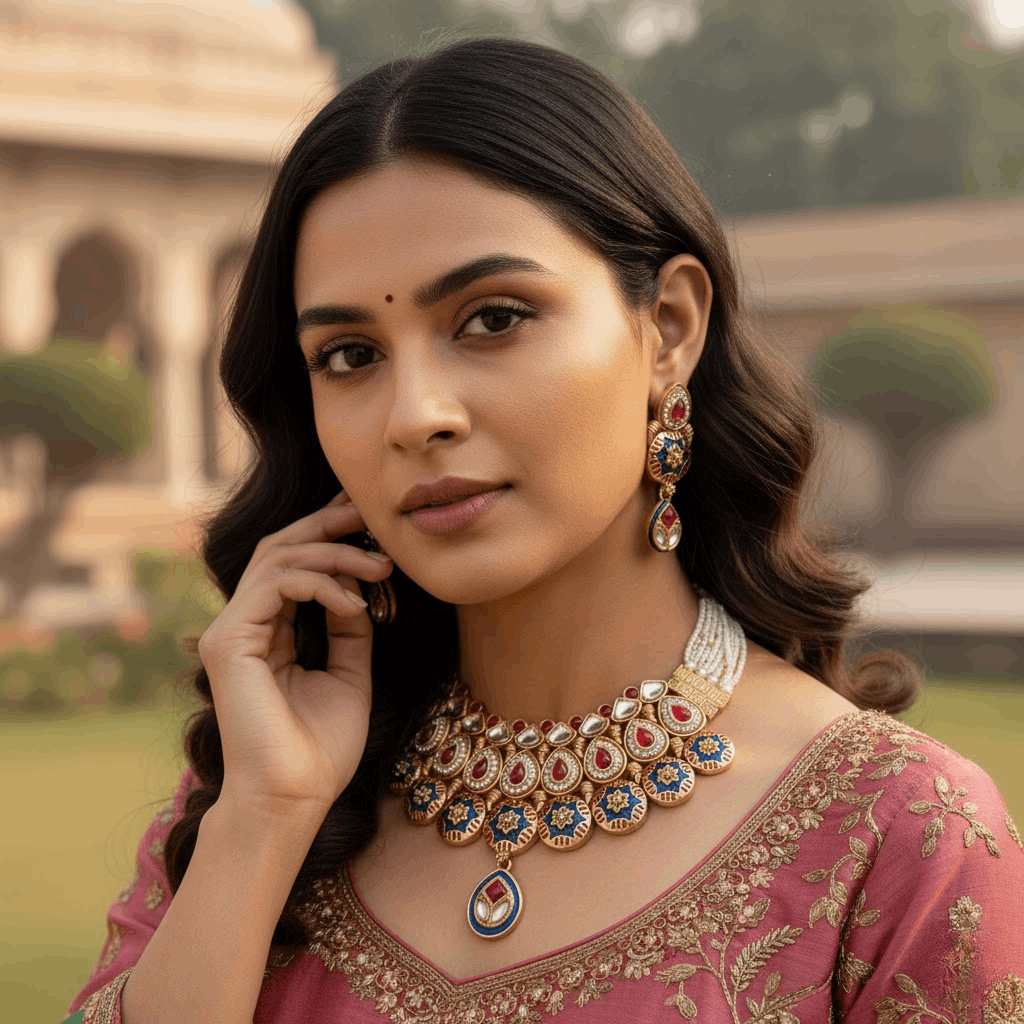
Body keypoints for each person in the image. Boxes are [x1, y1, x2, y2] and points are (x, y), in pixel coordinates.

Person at [63, 34, 1022, 1024]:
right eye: (349, 353)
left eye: (492, 319)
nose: (414, 414)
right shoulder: (257, 788)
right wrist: (259, 820)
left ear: (669, 330)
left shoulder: (893, 832)